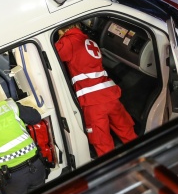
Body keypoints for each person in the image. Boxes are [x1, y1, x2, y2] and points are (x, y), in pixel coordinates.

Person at [55, 23, 137, 157]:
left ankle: (112, 171)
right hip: (110, 94)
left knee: (102, 142)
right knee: (126, 130)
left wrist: (59, 39)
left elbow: (52, 56)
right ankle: (142, 153)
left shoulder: (68, 41)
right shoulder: (89, 40)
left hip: (93, 102)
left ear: (64, 29)